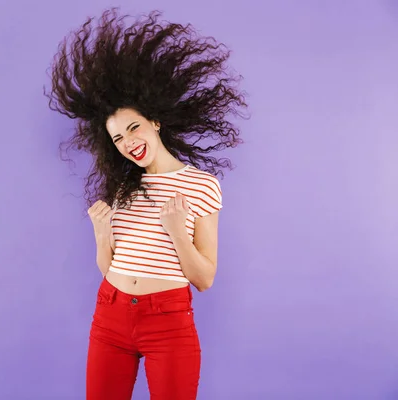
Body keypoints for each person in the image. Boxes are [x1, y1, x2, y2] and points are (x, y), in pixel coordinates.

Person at [46, 8, 246, 400]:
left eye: (133, 127)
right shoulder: (123, 187)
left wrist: (177, 234)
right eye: (118, 138)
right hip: (110, 315)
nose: (128, 142)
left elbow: (204, 279)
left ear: (155, 121)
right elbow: (111, 267)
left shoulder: (202, 186)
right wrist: (102, 236)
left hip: (168, 322)